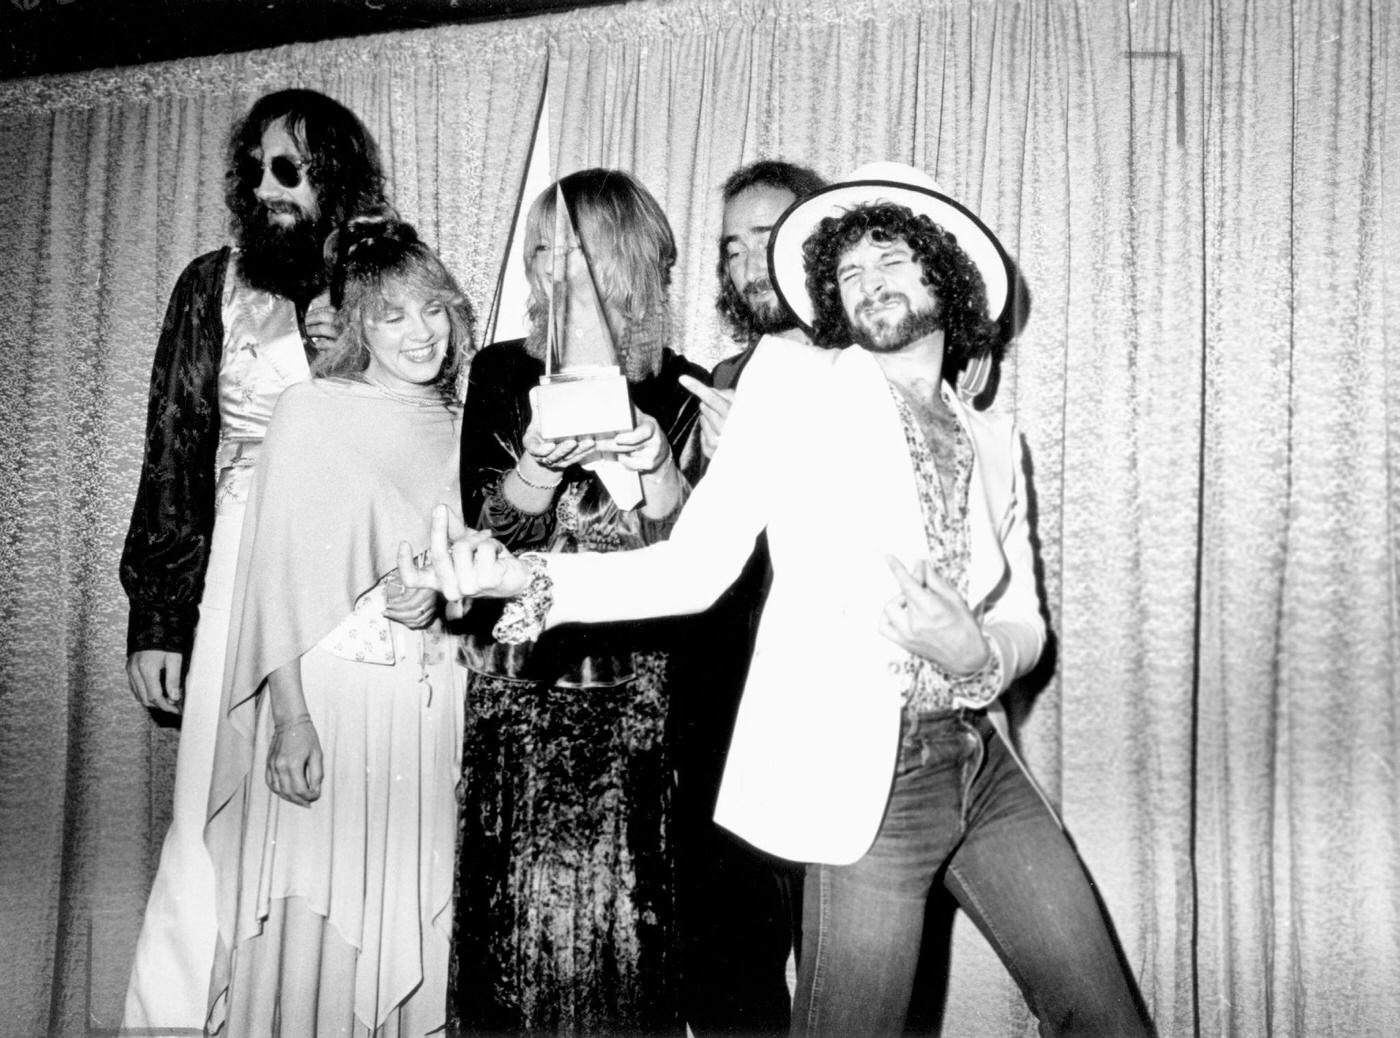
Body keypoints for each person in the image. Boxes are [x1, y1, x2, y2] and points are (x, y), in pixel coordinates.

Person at [401, 162, 1154, 1037]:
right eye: (848, 271)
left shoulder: (993, 437)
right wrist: (524, 578)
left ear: (945, 271)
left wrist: (977, 654)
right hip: (867, 785)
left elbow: (1023, 620)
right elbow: (692, 567)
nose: (867, 281)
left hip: (981, 762)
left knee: (1105, 1018)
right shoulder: (795, 384)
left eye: (892, 258)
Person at [118, 88, 396, 1033]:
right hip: (236, 571)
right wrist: (158, 616)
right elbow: (174, 450)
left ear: (335, 182)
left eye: (297, 170)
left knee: (332, 810)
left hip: (350, 584)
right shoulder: (211, 286)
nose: (274, 189)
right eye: (262, 169)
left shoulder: (378, 281)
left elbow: (415, 439)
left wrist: (343, 365)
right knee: (210, 803)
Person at [450, 168, 706, 1036]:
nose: (547, 264)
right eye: (540, 247)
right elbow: (482, 550)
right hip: (517, 690)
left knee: (618, 936)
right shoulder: (499, 373)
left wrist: (658, 467)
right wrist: (535, 468)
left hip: (632, 699)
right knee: (509, 930)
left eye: (569, 245)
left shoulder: (683, 389)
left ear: (621, 257)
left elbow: (696, 570)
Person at [203, 216, 473, 1036]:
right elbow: (271, 578)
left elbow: (478, 573)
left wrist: (444, 600)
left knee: (410, 920)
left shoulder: (463, 420)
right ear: (357, 324)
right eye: (392, 315)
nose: (419, 332)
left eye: (432, 309)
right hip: (331, 703)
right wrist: (289, 719)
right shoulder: (310, 410)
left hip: (427, 710)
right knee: (316, 923)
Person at [671, 159, 825, 1038]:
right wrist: (692, 468)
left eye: (768, 237)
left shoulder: (877, 367)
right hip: (724, 706)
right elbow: (695, 560)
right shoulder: (725, 376)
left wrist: (777, 456)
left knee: (845, 962)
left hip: (828, 707)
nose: (747, 261)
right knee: (730, 966)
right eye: (732, 247)